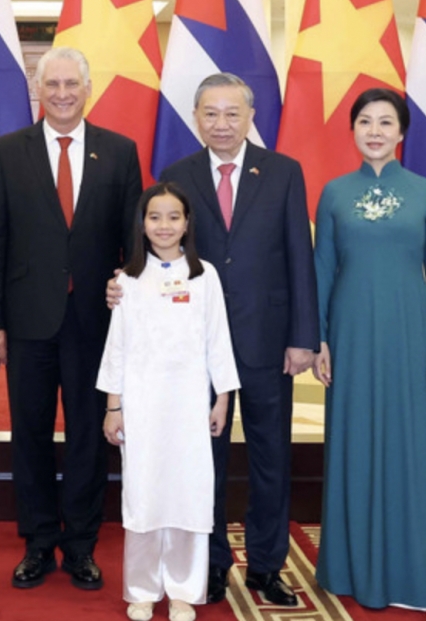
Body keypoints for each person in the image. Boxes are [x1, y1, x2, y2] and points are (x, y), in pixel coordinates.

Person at [116, 72, 317, 607]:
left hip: (267, 341)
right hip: (193, 350)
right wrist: (124, 286)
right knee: (203, 461)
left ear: (251, 117)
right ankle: (210, 564)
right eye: (211, 113)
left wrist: (304, 336)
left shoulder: (283, 172)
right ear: (196, 117)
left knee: (270, 456)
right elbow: (159, 249)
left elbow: (300, 254)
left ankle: (267, 566)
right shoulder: (177, 174)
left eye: (232, 113)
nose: (222, 124)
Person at [0, 46, 143, 591]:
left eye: (72, 84)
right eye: (53, 85)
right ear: (38, 90)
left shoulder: (119, 152)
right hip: (27, 320)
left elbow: (134, 242)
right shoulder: (6, 152)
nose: (63, 94)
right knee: (29, 432)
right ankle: (39, 541)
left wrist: (134, 300)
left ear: (87, 89)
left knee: (89, 437)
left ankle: (81, 546)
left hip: (96, 320)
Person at [312, 87, 426, 610]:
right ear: (352, 130)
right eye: (364, 122)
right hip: (350, 335)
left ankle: (411, 569)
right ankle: (352, 567)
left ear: (401, 133)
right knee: (353, 441)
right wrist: (321, 339)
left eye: (385, 122)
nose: (374, 131)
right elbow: (322, 271)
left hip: (410, 334)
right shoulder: (333, 193)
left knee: (410, 445)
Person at [98, 183, 240, 621]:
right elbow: (117, 346)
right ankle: (141, 588)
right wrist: (114, 405)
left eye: (173, 217)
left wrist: (222, 399)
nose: (164, 226)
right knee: (143, 495)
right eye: (155, 217)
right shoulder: (126, 280)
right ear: (141, 223)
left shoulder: (205, 276)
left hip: (190, 404)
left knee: (188, 494)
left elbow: (219, 341)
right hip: (142, 404)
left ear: (187, 223)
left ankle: (183, 589)